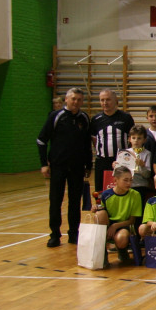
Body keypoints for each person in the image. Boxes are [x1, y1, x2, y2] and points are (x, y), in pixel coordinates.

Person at [38, 87, 92, 247]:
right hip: (58, 166)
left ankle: (74, 234)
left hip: (77, 168)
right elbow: (41, 140)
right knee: (55, 200)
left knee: (75, 202)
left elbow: (87, 144)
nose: (76, 102)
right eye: (73, 99)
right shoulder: (56, 116)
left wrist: (88, 164)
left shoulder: (84, 118)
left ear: (82, 102)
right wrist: (43, 164)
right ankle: (54, 234)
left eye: (79, 99)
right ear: (66, 100)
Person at [93, 166, 143, 265]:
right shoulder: (106, 195)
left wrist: (115, 226)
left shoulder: (135, 195)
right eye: (125, 180)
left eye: (130, 180)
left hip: (124, 225)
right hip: (108, 224)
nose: (129, 183)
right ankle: (102, 255)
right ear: (115, 180)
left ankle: (122, 251)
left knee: (121, 238)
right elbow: (102, 215)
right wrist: (95, 209)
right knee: (99, 214)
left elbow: (132, 220)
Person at [89, 88, 135, 192]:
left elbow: (132, 139)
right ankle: (102, 208)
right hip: (102, 161)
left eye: (108, 99)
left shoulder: (126, 118)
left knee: (122, 189)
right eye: (102, 100)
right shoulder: (96, 119)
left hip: (121, 161)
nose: (105, 102)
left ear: (116, 101)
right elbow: (94, 139)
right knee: (100, 191)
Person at [126, 125, 153, 201]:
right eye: (133, 138)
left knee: (138, 209)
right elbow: (119, 172)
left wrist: (142, 166)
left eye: (139, 138)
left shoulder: (147, 154)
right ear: (129, 139)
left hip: (140, 185)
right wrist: (115, 166)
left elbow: (147, 175)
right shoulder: (125, 153)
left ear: (144, 140)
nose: (136, 140)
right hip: (127, 185)